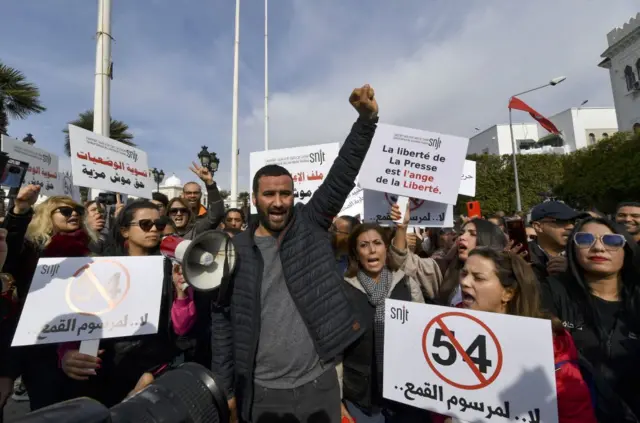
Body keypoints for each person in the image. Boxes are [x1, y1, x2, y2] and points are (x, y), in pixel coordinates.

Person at [211, 84, 379, 423]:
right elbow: (223, 322)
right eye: (269, 194)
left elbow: (341, 174)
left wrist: (367, 121)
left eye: (285, 194)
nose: (278, 202)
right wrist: (227, 391)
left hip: (320, 383)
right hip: (261, 393)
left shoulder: (311, 224)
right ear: (254, 199)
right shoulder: (233, 250)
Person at [432, 248, 597, 423]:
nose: (465, 282)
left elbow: (575, 415)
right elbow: (436, 396)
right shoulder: (449, 328)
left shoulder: (551, 345)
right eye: (464, 273)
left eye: (478, 278)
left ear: (508, 293)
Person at [59, 200, 194, 407]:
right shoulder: (100, 266)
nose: (154, 230)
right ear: (124, 231)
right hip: (104, 375)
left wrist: (181, 293)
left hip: (154, 373)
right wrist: (67, 354)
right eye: (145, 224)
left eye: (158, 225)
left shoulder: (171, 268)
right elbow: (77, 316)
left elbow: (180, 327)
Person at [0, 186, 94, 411]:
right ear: (47, 216)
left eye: (78, 211)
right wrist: (20, 210)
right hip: (40, 352)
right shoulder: (31, 251)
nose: (74, 214)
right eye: (65, 210)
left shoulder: (93, 249)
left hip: (84, 347)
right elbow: (8, 252)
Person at [542, 217, 640, 420]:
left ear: (626, 250)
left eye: (611, 241)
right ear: (573, 249)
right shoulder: (551, 291)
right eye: (585, 239)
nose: (598, 248)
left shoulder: (637, 298)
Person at [339, 223, 428, 423]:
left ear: (386, 248)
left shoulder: (406, 283)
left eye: (377, 243)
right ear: (355, 252)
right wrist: (336, 399)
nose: (372, 250)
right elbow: (336, 352)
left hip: (407, 395)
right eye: (364, 245)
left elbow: (423, 335)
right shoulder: (343, 290)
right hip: (361, 398)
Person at [529, 201, 586, 282]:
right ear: (538, 227)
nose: (571, 227)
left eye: (573, 221)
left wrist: (574, 271)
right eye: (561, 221)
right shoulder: (522, 255)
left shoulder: (585, 253)